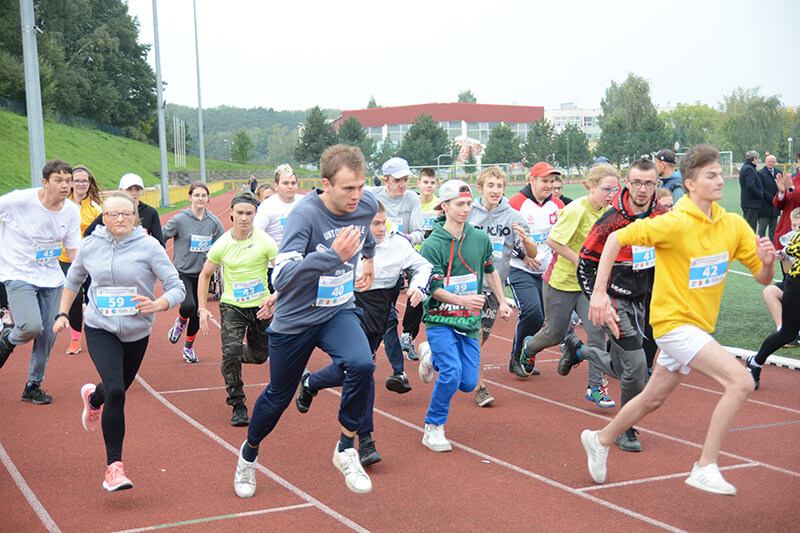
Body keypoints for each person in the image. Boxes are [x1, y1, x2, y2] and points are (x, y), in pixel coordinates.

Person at [580, 145, 775, 496]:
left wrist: (767, 262)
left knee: (652, 399)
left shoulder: (732, 225)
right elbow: (613, 239)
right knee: (741, 381)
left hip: (699, 326)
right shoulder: (672, 223)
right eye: (711, 175)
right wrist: (598, 292)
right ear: (691, 184)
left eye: (720, 173)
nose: (720, 179)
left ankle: (599, 438)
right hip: (672, 324)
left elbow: (761, 279)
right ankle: (705, 466)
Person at [234, 145, 378, 498]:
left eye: (360, 186)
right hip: (295, 319)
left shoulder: (367, 205)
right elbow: (281, 277)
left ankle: (346, 448)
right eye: (348, 188)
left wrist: (369, 259)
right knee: (278, 396)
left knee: (362, 364)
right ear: (326, 185)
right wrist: (332, 257)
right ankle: (248, 455)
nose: (356, 196)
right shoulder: (305, 215)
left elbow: (368, 235)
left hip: (337, 310)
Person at [54, 191, 184, 491]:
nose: (120, 219)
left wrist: (159, 304)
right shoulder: (90, 245)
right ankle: (114, 467)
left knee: (114, 389)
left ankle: (93, 398)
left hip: (137, 331)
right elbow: (74, 279)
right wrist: (63, 312)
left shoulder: (149, 246)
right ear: (104, 217)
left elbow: (177, 287)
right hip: (101, 327)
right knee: (117, 390)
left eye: (126, 213)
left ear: (135, 215)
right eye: (112, 214)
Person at [296, 202, 432, 465]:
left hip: (379, 313)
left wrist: (418, 288)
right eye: (374, 224)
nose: (380, 229)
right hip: (348, 311)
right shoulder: (348, 242)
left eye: (383, 223)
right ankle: (365, 440)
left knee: (351, 371)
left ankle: (310, 383)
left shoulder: (398, 244)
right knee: (364, 372)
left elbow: (423, 266)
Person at [562, 158, 668, 452]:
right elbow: (584, 264)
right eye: (636, 182)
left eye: (649, 183)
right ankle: (625, 430)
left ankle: (580, 350)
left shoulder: (663, 216)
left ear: (656, 184)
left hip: (646, 301)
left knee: (628, 370)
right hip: (614, 300)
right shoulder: (610, 220)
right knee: (637, 366)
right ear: (627, 182)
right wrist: (597, 297)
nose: (642, 189)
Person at [417, 179, 512, 451]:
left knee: (468, 383)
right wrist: (462, 299)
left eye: (469, 204)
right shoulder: (432, 244)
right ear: (444, 206)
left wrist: (503, 301)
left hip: (468, 321)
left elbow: (490, 270)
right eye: (459, 204)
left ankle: (430, 356)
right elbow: (433, 288)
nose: (466, 209)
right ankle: (433, 427)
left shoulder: (480, 238)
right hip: (440, 319)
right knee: (450, 374)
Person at [519, 164, 619, 408]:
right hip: (561, 283)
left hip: (588, 286)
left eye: (615, 190)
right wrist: (582, 263)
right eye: (606, 189)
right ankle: (529, 347)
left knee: (597, 332)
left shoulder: (611, 213)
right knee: (554, 334)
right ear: (591, 187)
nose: (611, 194)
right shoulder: (576, 210)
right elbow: (553, 241)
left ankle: (595, 387)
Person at [0, 159, 81, 404]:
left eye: (68, 180)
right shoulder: (18, 202)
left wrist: (90, 276)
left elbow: (74, 250)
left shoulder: (71, 211)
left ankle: (33, 386)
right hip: (19, 273)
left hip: (52, 278)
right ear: (45, 182)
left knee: (49, 335)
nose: (65, 185)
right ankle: (7, 339)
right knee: (31, 327)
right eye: (59, 180)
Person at [197, 191, 278, 426]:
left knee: (260, 356)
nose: (244, 218)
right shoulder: (222, 244)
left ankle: (231, 353)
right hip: (232, 305)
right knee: (231, 352)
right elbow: (204, 275)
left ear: (255, 214)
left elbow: (283, 272)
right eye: (240, 212)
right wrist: (202, 308)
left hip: (261, 305)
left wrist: (275, 298)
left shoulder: (265, 241)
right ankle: (237, 403)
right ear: (231, 213)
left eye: (249, 213)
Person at [467, 166, 534, 406]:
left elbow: (531, 252)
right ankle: (480, 387)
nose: (495, 191)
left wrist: (527, 243)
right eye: (490, 186)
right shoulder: (467, 212)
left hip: (494, 288)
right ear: (480, 188)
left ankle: (434, 356)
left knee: (478, 340)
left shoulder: (513, 217)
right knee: (473, 338)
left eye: (499, 186)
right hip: (465, 287)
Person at [368, 157, 424, 394]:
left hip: (396, 268)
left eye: (406, 180)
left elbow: (419, 233)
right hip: (371, 269)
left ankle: (384, 363)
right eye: (397, 180)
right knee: (387, 320)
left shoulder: (412, 199)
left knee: (386, 320)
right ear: (385, 180)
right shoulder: (371, 197)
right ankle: (395, 370)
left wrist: (401, 240)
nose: (403, 185)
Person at [507, 162, 565, 377]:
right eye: (544, 181)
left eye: (552, 182)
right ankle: (515, 358)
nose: (549, 186)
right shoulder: (515, 203)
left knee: (543, 319)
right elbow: (504, 239)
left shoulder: (558, 205)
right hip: (519, 269)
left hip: (547, 271)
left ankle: (527, 355)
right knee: (532, 311)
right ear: (532, 180)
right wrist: (523, 256)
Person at [162, 181, 225, 363]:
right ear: (190, 197)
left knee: (199, 312)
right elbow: (163, 234)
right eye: (196, 195)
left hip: (203, 274)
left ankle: (188, 348)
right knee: (188, 306)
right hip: (183, 272)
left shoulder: (214, 223)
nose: (200, 198)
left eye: (203, 195)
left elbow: (221, 246)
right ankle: (180, 322)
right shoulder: (180, 220)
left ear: (208, 198)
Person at [58, 164, 102, 356]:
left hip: (90, 261)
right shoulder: (61, 204)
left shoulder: (95, 208)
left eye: (85, 180)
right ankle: (75, 340)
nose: (81, 184)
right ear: (71, 183)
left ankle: (97, 335)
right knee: (75, 300)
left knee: (93, 298)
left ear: (89, 182)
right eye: (77, 180)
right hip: (67, 260)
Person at [400, 167, 438, 361]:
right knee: (417, 292)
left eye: (432, 183)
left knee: (432, 296)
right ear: (419, 184)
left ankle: (432, 342)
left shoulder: (440, 205)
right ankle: (408, 334)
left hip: (434, 258)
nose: (429, 186)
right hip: (414, 258)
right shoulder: (412, 204)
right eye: (425, 182)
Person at [253, 164, 304, 293]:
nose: (290, 186)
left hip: (301, 264)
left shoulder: (304, 202)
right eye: (285, 183)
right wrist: (274, 246)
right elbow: (255, 234)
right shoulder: (267, 207)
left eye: (293, 183)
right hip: (275, 266)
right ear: (276, 186)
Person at [84, 173, 165, 247]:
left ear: (142, 191)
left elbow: (160, 244)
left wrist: (148, 240)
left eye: (137, 189)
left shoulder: (150, 212)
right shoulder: (111, 211)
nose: (134, 193)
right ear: (120, 191)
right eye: (129, 189)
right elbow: (88, 233)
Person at [759, 208, 800, 351]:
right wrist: (782, 256)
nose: (796, 229)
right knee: (769, 291)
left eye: (799, 226)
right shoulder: (791, 239)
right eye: (794, 225)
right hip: (794, 284)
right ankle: (783, 332)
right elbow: (787, 267)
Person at [771, 153, 800, 249]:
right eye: (798, 162)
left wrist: (791, 189)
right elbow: (778, 206)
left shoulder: (791, 184)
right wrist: (781, 193)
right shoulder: (792, 180)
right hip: (787, 232)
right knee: (786, 262)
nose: (798, 166)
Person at [756, 155, 781, 243]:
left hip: (775, 207)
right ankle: (762, 248)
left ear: (775, 162)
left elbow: (781, 188)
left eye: (772, 161)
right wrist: (773, 199)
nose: (771, 163)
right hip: (764, 206)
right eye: (769, 161)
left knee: (773, 231)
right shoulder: (760, 173)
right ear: (765, 162)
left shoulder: (779, 173)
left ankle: (773, 249)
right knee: (762, 230)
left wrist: (777, 200)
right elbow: (761, 189)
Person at [739, 150, 764, 232]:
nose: (758, 161)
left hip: (748, 203)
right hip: (751, 203)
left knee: (748, 227)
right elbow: (750, 185)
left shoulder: (745, 167)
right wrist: (760, 194)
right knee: (750, 229)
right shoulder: (749, 169)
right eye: (757, 159)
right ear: (754, 159)